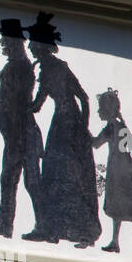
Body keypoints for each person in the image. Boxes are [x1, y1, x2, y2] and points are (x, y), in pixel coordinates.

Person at [24, 13, 100, 248]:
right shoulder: (44, 71)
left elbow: (84, 98)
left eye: (33, 43)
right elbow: (37, 105)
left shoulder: (59, 68)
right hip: (60, 124)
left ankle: (82, 231)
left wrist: (83, 128)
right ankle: (53, 228)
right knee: (54, 176)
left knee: (70, 177)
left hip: (70, 125)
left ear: (42, 46)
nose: (31, 46)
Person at [0, 18, 42, 238]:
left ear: (13, 42)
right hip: (16, 135)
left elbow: (11, 100)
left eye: (5, 40)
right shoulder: (15, 65)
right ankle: (5, 225)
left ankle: (40, 225)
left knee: (30, 183)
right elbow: (4, 99)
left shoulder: (20, 67)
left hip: (23, 133)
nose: (2, 43)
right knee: (10, 180)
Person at [93, 88, 132, 255]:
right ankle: (119, 241)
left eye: (101, 108)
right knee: (123, 209)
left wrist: (84, 135)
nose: (98, 111)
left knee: (124, 208)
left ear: (108, 109)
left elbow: (96, 143)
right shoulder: (120, 126)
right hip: (124, 171)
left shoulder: (112, 128)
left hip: (119, 173)